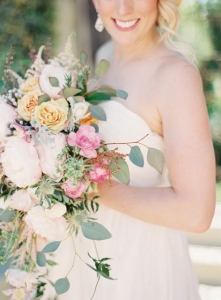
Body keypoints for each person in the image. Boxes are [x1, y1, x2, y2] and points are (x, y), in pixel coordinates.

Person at [52, 0, 216, 299]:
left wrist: (89, 187)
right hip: (85, 249)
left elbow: (196, 212)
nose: (123, 9)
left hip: (138, 256)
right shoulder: (105, 56)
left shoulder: (176, 76)